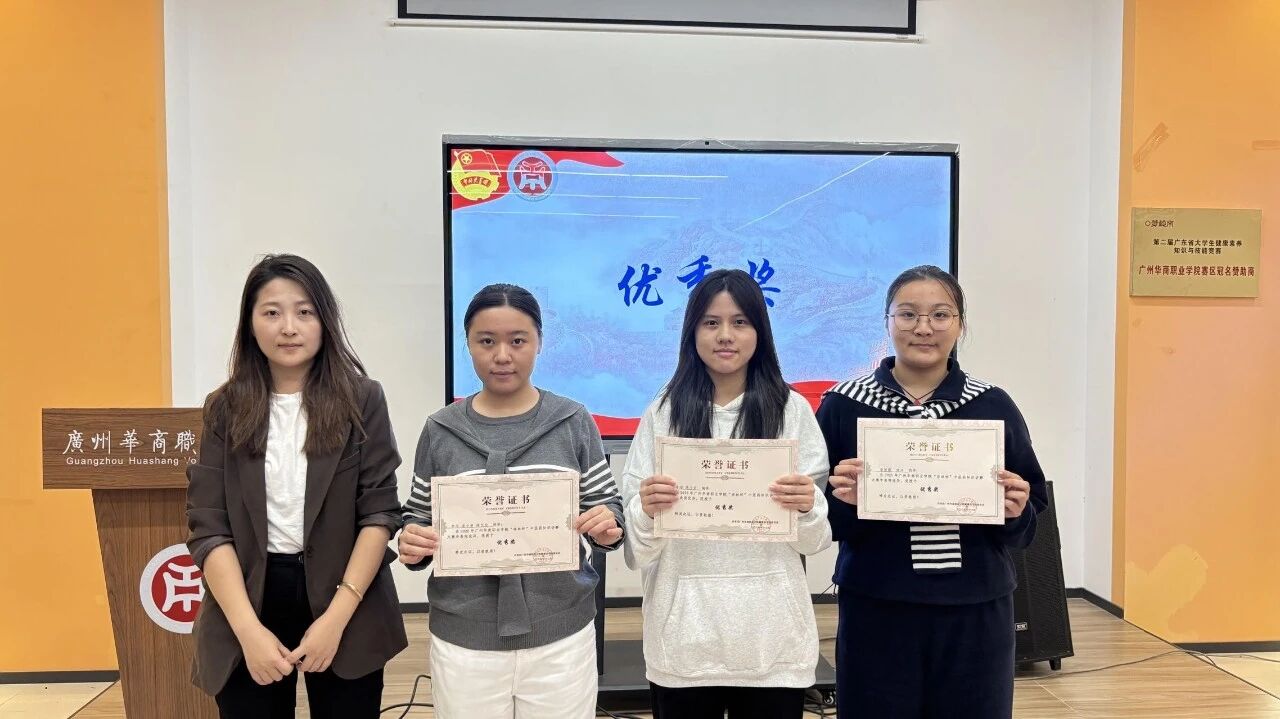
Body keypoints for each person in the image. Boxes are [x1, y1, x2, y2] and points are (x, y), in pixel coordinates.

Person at [819, 264, 1047, 719]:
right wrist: (842, 502)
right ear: (887, 322)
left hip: (976, 606)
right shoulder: (845, 403)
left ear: (960, 324)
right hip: (878, 603)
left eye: (940, 315)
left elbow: (1031, 508)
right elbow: (816, 516)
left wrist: (1015, 509)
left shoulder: (992, 404)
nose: (923, 328)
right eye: (908, 314)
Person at [186, 253, 407, 718]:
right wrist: (248, 630)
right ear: (250, 324)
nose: (289, 327)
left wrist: (335, 620)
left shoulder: (362, 399)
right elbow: (209, 527)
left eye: (304, 312)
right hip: (248, 598)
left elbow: (379, 514)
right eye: (272, 312)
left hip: (346, 597)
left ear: (325, 321)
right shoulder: (224, 408)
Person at [398, 282, 625, 719]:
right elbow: (419, 514)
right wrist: (412, 540)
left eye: (517, 341)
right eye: (486, 341)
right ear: (468, 344)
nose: (502, 355)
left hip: (562, 634)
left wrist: (608, 526)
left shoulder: (573, 421)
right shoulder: (440, 429)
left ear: (539, 342)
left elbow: (607, 506)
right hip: (465, 640)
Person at [620, 269, 831, 719]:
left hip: (772, 640)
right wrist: (647, 511)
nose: (725, 336)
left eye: (740, 322)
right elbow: (638, 552)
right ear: (692, 331)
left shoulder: (792, 411)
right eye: (711, 323)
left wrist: (807, 507)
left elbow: (814, 541)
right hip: (684, 641)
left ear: (760, 331)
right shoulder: (663, 412)